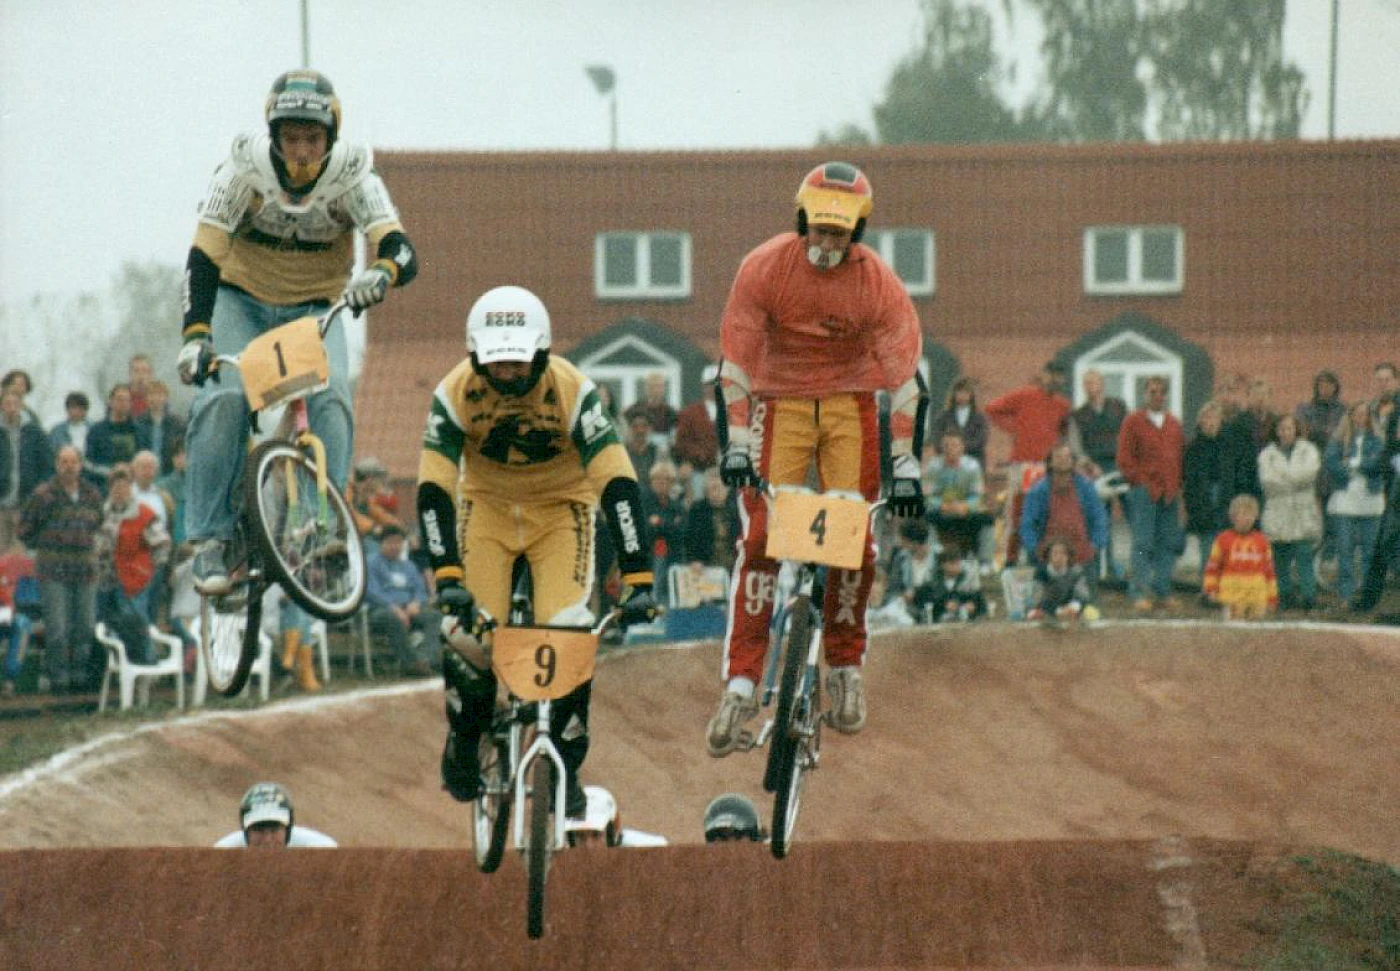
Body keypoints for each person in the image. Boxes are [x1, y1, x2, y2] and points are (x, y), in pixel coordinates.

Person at [708, 161, 926, 755]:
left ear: (858, 232)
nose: (827, 245)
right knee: (760, 540)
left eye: (840, 234)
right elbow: (736, 366)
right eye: (819, 231)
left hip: (850, 405)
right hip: (777, 402)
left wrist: (906, 467)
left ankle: (846, 668)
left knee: (855, 539)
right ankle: (741, 681)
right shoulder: (763, 269)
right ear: (801, 220)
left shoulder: (877, 284)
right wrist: (736, 446)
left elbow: (907, 382)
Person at [415, 286, 657, 818]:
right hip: (488, 509)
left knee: (569, 629)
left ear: (541, 352)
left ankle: (565, 762)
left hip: (561, 510)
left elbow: (617, 482)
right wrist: (446, 573)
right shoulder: (453, 393)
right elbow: (433, 488)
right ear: (475, 354)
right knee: (467, 634)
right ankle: (465, 734)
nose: (505, 374)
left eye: (517, 361)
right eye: (494, 362)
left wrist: (639, 574)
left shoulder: (573, 389)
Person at [177, 69, 418, 595]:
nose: (302, 151)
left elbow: (399, 246)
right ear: (273, 137)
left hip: (313, 308)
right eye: (291, 138)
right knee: (223, 399)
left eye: (313, 138)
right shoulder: (242, 171)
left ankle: (317, 519)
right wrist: (196, 334)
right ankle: (209, 542)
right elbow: (204, 256)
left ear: (331, 138)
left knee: (331, 396)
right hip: (240, 303)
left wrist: (380, 271)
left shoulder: (355, 177)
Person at [18, 446, 104, 693]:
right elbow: (24, 530)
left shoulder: (92, 494)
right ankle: (59, 681)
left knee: (85, 626)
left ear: (80, 464)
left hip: (85, 571)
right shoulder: (43, 494)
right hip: (53, 571)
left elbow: (99, 525)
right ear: (56, 464)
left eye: (73, 461)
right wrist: (49, 545)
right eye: (64, 461)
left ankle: (79, 678)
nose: (69, 466)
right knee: (57, 629)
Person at [1117, 376, 1186, 612]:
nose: (1158, 396)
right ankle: (1138, 590)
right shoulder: (1133, 421)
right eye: (1153, 391)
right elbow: (1125, 459)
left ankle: (1162, 590)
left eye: (1162, 392)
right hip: (1144, 492)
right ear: (1145, 394)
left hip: (1169, 492)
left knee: (1167, 543)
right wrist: (1142, 482)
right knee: (1142, 542)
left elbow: (1179, 457)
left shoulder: (1174, 424)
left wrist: (1176, 485)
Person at [93, 464, 170, 658]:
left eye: (125, 485)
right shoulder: (101, 512)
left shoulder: (143, 513)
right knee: (106, 625)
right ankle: (117, 667)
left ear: (131, 486)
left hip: (135, 581)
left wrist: (147, 569)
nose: (120, 489)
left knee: (137, 624)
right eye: (115, 485)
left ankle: (146, 665)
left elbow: (162, 544)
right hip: (104, 580)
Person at [1258, 414, 1322, 611]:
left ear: (1296, 429)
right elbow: (1268, 481)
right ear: (1276, 431)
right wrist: (1294, 480)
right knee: (1280, 557)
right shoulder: (1266, 454)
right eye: (1282, 428)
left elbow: (1309, 475)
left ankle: (1309, 596)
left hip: (1303, 510)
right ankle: (1284, 595)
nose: (1285, 432)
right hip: (1278, 511)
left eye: (1289, 427)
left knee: (1304, 555)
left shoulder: (1308, 450)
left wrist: (1286, 478)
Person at [1324, 402, 1386, 605]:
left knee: (1370, 551)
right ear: (1350, 416)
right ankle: (1346, 595)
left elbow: (1378, 462)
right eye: (1356, 414)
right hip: (1345, 500)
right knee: (1345, 549)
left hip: (1371, 500)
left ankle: (1368, 597)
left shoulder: (1378, 439)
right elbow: (1330, 461)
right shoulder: (1338, 440)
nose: (1360, 418)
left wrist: (1354, 464)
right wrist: (1349, 469)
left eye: (1365, 414)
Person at [1018, 441, 1109, 570]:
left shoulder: (1086, 488)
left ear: (1073, 461)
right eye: (1058, 457)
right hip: (1047, 556)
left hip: (1083, 555)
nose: (1063, 461)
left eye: (1067, 457)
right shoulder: (1038, 491)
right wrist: (1035, 549)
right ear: (1050, 462)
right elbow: (1027, 524)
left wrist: (1095, 546)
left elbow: (1099, 518)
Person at [364, 522, 438, 676]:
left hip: (408, 607)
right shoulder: (371, 563)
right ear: (381, 543)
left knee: (435, 617)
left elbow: (420, 589)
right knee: (391, 618)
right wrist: (393, 607)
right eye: (390, 542)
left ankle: (424, 660)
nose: (395, 546)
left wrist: (416, 602)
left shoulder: (408, 566)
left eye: (398, 542)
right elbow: (371, 591)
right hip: (381, 610)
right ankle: (411, 663)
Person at [1202, 494, 1278, 619]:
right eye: (1242, 514)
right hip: (1231, 596)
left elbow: (1269, 571)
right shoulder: (1223, 539)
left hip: (1257, 595)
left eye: (1250, 514)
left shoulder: (1262, 541)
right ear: (1233, 517)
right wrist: (1210, 589)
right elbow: (1212, 567)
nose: (1247, 519)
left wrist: (1272, 597)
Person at [1183, 401, 1232, 580]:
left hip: (1224, 497)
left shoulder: (1228, 445)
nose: (1211, 422)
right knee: (1208, 547)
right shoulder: (1193, 447)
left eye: (1215, 418)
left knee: (1226, 544)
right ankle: (1208, 587)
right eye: (1207, 418)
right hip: (1203, 499)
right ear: (1200, 422)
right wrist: (1193, 507)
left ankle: (1225, 586)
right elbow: (1189, 481)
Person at [0, 387, 53, 552]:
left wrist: (42, 485)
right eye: (7, 403)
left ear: (21, 405)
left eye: (15, 403)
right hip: (1, 502)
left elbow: (48, 464)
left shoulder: (34, 432)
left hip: (25, 502)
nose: (11, 407)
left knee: (18, 553)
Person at [214, 782, 337, 849]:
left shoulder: (319, 848)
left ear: (288, 830)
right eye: (258, 830)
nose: (267, 840)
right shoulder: (223, 853)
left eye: (274, 830)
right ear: (246, 832)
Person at [86, 384, 150, 491]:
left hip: (134, 487)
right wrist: (112, 471)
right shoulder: (96, 431)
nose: (123, 403)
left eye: (127, 400)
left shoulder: (139, 431)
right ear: (110, 402)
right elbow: (89, 464)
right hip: (103, 487)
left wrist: (130, 470)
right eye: (119, 399)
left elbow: (145, 459)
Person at [1026, 537, 1098, 622]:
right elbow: (1037, 598)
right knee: (1032, 614)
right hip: (1048, 608)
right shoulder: (1042, 572)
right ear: (1049, 556)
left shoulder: (1076, 571)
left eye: (1063, 553)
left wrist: (1074, 606)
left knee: (1089, 612)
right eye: (1055, 553)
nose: (1059, 557)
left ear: (1069, 556)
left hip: (1070, 607)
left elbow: (1083, 596)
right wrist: (1058, 611)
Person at [928, 377, 988, 467]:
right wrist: (950, 450)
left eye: (966, 392)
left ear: (971, 395)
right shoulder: (943, 417)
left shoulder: (979, 418)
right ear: (953, 394)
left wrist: (960, 448)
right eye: (959, 392)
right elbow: (936, 437)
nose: (962, 395)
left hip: (973, 462)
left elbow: (981, 439)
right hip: (947, 464)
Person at [915, 549, 987, 623]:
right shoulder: (932, 581)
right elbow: (922, 601)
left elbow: (981, 604)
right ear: (943, 565)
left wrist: (972, 606)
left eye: (958, 563)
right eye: (952, 564)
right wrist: (944, 605)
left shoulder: (967, 580)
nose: (956, 567)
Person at [135, 380, 186, 477]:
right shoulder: (138, 423)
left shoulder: (177, 423)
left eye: (159, 394)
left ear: (166, 398)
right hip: (144, 474)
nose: (155, 398)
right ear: (146, 398)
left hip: (170, 474)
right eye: (151, 394)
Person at [623, 372, 679, 439]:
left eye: (659, 386)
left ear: (664, 388)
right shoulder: (634, 410)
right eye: (652, 386)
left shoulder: (671, 412)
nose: (655, 390)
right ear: (646, 388)